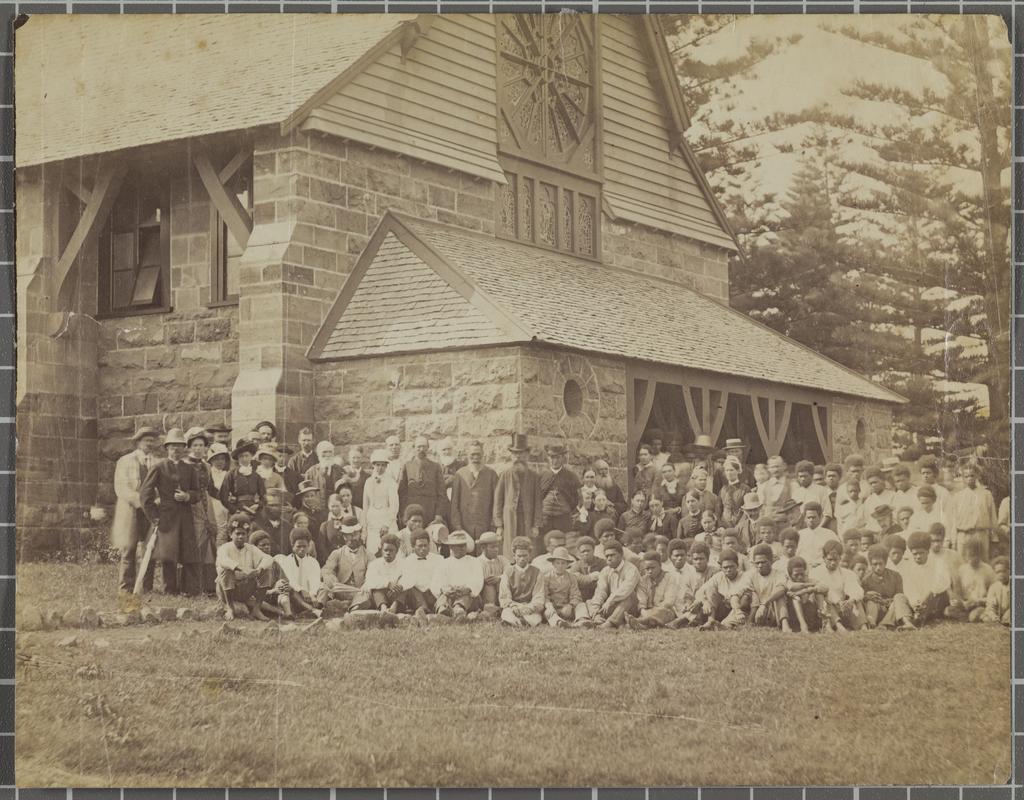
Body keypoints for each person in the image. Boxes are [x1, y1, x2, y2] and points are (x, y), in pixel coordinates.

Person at [140, 428, 203, 595]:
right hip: (166, 517)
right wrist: (154, 517)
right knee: (168, 554)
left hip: (185, 517)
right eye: (173, 446)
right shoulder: (159, 467)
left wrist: (187, 496)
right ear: (167, 448)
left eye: (180, 446)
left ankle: (190, 590)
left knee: (188, 553)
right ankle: (169, 590)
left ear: (184, 449)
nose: (176, 450)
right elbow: (145, 495)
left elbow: (198, 494)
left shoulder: (190, 469)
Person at [112, 426, 160, 594]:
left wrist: (155, 502)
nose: (149, 443)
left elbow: (160, 487)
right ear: (138, 442)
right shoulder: (125, 461)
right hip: (131, 509)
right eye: (146, 440)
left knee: (150, 547)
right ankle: (126, 587)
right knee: (129, 548)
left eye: (152, 440)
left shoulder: (157, 462)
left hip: (150, 510)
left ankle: (146, 586)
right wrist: (140, 501)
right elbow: (121, 487)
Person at [215, 512, 273, 620]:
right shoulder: (224, 548)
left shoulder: (251, 548)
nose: (240, 537)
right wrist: (241, 568)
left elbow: (268, 558)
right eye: (237, 534)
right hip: (226, 590)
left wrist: (259, 569)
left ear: (247, 535)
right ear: (230, 534)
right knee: (226, 570)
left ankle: (256, 609)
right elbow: (223, 561)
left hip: (245, 589)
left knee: (266, 570)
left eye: (243, 534)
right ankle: (230, 608)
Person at [494, 434, 543, 559]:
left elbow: (538, 502)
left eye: (521, 454)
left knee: (528, 550)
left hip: (527, 520)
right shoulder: (505, 475)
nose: (518, 457)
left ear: (527, 455)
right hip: (509, 520)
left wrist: (536, 525)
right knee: (510, 551)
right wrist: (499, 525)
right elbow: (498, 501)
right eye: (515, 454)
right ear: (511, 455)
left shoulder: (534, 476)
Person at [183, 427, 218, 594]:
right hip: (191, 506)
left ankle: (208, 585)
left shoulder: (206, 466)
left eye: (201, 445)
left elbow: (211, 488)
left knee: (209, 539)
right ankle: (191, 586)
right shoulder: (184, 465)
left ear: (205, 448)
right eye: (195, 445)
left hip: (206, 504)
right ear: (189, 447)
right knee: (195, 542)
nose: (198, 448)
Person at [948, 459, 997, 563]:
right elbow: (953, 521)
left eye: (972, 475)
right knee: (962, 563)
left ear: (977, 476)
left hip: (981, 534)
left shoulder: (986, 494)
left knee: (983, 563)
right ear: (963, 478)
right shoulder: (957, 496)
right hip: (963, 535)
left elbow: (993, 517)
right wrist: (953, 541)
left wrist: (994, 539)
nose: (969, 478)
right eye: (966, 476)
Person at [809, 539, 864, 632]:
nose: (833, 563)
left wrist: (851, 600)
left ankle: (863, 626)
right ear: (823, 558)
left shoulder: (846, 573)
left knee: (856, 600)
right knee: (823, 596)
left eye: (836, 559)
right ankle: (838, 626)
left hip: (842, 607)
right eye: (830, 559)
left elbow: (855, 588)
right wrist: (838, 602)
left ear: (840, 558)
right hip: (822, 610)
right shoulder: (815, 572)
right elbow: (826, 590)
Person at [901, 530, 952, 625]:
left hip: (935, 600)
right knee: (901, 597)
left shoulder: (938, 563)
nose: (918, 556)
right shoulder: (909, 567)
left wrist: (925, 599)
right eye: (915, 554)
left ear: (928, 552)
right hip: (918, 603)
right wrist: (915, 603)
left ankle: (922, 617)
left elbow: (941, 584)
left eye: (921, 553)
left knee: (937, 594)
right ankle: (915, 617)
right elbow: (909, 589)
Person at [450, 440, 499, 541]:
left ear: (483, 455)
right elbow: (454, 503)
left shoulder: (491, 474)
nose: (476, 458)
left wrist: (494, 525)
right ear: (467, 455)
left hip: (485, 527)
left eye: (478, 454)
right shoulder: (460, 474)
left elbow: (497, 502)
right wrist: (458, 526)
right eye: (473, 454)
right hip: (464, 528)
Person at [270, 527, 322, 618]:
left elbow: (315, 580)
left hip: (310, 596)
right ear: (292, 545)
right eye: (298, 546)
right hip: (295, 596)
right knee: (287, 586)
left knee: (323, 587)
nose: (302, 549)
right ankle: (311, 610)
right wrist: (302, 590)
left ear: (309, 545)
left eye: (304, 546)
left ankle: (317, 608)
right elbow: (291, 580)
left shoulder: (313, 562)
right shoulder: (287, 561)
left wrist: (312, 594)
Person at [861, 544, 915, 630]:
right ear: (871, 564)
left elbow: (899, 597)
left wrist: (887, 601)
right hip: (876, 611)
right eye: (875, 564)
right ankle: (872, 625)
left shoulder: (896, 576)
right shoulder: (866, 580)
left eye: (880, 564)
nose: (878, 567)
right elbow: (863, 602)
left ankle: (885, 624)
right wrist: (867, 596)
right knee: (871, 603)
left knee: (899, 597)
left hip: (892, 609)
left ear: (885, 563)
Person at [433, 530, 484, 621]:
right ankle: (443, 611)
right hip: (449, 595)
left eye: (464, 545)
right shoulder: (444, 563)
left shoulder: (474, 561)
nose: (463, 548)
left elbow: (478, 580)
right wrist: (444, 589)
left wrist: (467, 589)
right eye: (459, 546)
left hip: (467, 596)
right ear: (451, 547)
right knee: (443, 597)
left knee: (467, 597)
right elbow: (436, 581)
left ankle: (458, 610)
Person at [588, 540, 640, 629]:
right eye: (607, 556)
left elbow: (626, 589)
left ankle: (610, 623)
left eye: (612, 555)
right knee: (590, 601)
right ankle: (598, 618)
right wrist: (596, 610)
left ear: (621, 555)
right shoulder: (605, 571)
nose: (609, 558)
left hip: (629, 607)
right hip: (612, 606)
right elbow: (601, 591)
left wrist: (610, 601)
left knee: (630, 595)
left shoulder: (631, 569)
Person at [693, 549, 749, 631]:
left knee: (742, 602)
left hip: (738, 609)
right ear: (721, 567)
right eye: (725, 567)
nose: (728, 570)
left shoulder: (744, 577)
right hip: (723, 608)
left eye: (731, 566)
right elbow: (700, 592)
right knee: (710, 590)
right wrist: (705, 602)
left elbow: (736, 596)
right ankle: (710, 620)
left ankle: (723, 625)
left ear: (737, 565)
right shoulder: (719, 576)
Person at [399, 435, 448, 525]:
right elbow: (402, 493)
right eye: (419, 447)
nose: (421, 449)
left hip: (430, 512)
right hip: (412, 514)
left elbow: (442, 493)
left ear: (428, 448)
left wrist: (439, 514)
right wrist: (404, 513)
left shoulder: (435, 467)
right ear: (414, 448)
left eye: (424, 446)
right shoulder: (407, 466)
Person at [318, 516, 368, 604]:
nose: (352, 538)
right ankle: (318, 610)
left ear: (360, 534)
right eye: (349, 535)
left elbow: (373, 574)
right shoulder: (337, 553)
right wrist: (334, 582)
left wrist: (365, 586)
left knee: (366, 593)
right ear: (344, 536)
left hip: (359, 591)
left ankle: (353, 605)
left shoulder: (368, 555)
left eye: (355, 534)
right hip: (340, 590)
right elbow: (326, 571)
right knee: (324, 587)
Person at [498, 536, 546, 627]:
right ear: (514, 556)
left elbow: (539, 596)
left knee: (535, 618)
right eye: (519, 556)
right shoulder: (508, 572)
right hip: (514, 607)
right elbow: (504, 596)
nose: (522, 559)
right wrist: (513, 606)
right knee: (506, 612)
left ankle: (517, 622)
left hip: (530, 608)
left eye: (525, 556)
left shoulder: (537, 572)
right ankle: (517, 621)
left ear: (530, 555)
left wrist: (530, 608)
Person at [353, 533, 405, 616]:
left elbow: (407, 577)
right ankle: (383, 608)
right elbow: (370, 581)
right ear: (381, 550)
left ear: (397, 551)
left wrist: (398, 586)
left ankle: (393, 608)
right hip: (380, 598)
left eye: (391, 550)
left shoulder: (403, 563)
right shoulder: (374, 564)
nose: (388, 553)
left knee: (404, 588)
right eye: (385, 550)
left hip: (396, 596)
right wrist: (388, 584)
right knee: (376, 589)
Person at [625, 552, 679, 630]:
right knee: (646, 615)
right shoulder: (643, 580)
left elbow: (669, 601)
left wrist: (652, 612)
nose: (650, 571)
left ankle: (638, 621)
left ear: (660, 566)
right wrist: (644, 612)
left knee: (662, 612)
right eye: (647, 569)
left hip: (664, 611)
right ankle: (642, 625)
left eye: (653, 568)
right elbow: (641, 601)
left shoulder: (670, 578)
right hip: (647, 612)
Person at [398, 528, 444, 619]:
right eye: (419, 546)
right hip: (417, 596)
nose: (423, 549)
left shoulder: (439, 559)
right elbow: (407, 580)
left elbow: (441, 579)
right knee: (411, 588)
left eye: (425, 545)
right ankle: (423, 610)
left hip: (434, 593)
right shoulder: (408, 561)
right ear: (413, 546)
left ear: (429, 545)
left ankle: (438, 610)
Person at [539, 443, 581, 539]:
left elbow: (578, 498)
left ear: (563, 458)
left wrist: (573, 513)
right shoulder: (541, 476)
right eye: (552, 457)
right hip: (545, 519)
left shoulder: (571, 476)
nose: (555, 461)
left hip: (563, 519)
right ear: (548, 458)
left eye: (558, 457)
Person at [364, 448, 400, 557]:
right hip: (372, 521)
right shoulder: (368, 482)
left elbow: (394, 505)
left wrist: (387, 524)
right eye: (377, 465)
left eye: (383, 465)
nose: (380, 468)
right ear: (373, 465)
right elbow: (365, 504)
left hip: (386, 519)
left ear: (386, 466)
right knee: (372, 550)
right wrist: (365, 524)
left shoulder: (391, 482)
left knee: (388, 549)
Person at [747, 543, 789, 631]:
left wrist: (764, 604)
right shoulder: (751, 575)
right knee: (748, 594)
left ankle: (785, 626)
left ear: (771, 561)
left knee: (779, 597)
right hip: (755, 610)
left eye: (763, 562)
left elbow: (781, 589)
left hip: (772, 610)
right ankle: (749, 623)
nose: (760, 566)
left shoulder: (779, 573)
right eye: (757, 563)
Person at [219, 438, 265, 517]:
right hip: (237, 510)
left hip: (253, 510)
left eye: (246, 456)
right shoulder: (231, 474)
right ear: (237, 458)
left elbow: (264, 496)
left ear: (251, 456)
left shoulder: (257, 476)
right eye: (241, 456)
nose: (244, 459)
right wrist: (234, 510)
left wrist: (258, 505)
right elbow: (223, 496)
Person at [958, 539, 996, 622]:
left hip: (980, 603)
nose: (971, 559)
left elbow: (994, 593)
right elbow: (958, 591)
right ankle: (966, 615)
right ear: (965, 556)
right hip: (966, 603)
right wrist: (962, 602)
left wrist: (979, 601)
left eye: (974, 556)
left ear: (980, 555)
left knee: (973, 617)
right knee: (947, 611)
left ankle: (975, 615)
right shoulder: (962, 570)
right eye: (969, 556)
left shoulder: (987, 570)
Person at [795, 501, 839, 570]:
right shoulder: (799, 535)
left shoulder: (830, 534)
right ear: (804, 518)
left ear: (820, 517)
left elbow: (837, 554)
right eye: (808, 517)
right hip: (804, 569)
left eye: (814, 517)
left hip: (824, 569)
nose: (811, 520)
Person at [784, 557, 821, 633]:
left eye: (802, 574)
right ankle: (803, 626)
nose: (800, 577)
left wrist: (810, 589)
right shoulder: (788, 581)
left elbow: (825, 587)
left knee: (819, 592)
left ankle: (825, 623)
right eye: (796, 575)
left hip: (809, 614)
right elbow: (792, 587)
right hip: (794, 617)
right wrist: (810, 585)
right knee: (796, 598)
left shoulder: (808, 580)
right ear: (790, 574)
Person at [476, 530, 508, 613]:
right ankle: (490, 608)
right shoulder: (477, 562)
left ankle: (500, 608)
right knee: (489, 585)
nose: (496, 549)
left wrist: (499, 578)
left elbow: (510, 573)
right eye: (493, 547)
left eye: (497, 546)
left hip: (501, 594)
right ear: (483, 548)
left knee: (504, 581)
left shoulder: (502, 560)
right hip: (484, 595)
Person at [570, 535, 606, 602]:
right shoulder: (576, 565)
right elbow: (575, 580)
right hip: (582, 600)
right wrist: (592, 577)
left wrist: (582, 579)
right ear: (579, 553)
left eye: (588, 550)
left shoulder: (602, 563)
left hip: (601, 599)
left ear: (593, 550)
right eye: (583, 551)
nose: (586, 553)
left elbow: (606, 581)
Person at [719, 459, 750, 528]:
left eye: (731, 470)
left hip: (740, 524)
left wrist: (741, 524)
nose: (729, 473)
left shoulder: (745, 489)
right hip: (724, 525)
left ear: (738, 471)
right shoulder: (723, 489)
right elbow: (719, 508)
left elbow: (747, 510)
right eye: (727, 470)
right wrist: (720, 525)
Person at [982, 556, 1010, 625]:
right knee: (986, 616)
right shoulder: (994, 587)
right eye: (998, 572)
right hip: (1000, 614)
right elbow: (990, 605)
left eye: (1003, 571)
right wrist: (993, 615)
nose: (1001, 574)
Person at [438, 438, 466, 504]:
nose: (447, 452)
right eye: (444, 450)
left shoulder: (461, 465)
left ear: (453, 450)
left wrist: (454, 479)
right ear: (440, 452)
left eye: (449, 449)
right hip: (441, 502)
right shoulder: (436, 466)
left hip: (458, 500)